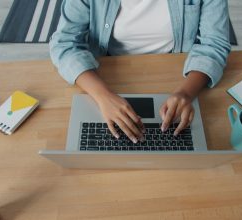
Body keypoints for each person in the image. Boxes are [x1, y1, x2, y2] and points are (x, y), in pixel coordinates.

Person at [49, 0, 231, 143]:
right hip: (107, 71)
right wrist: (102, 96)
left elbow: (215, 43)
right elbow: (65, 43)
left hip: (177, 72)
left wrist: (186, 93)